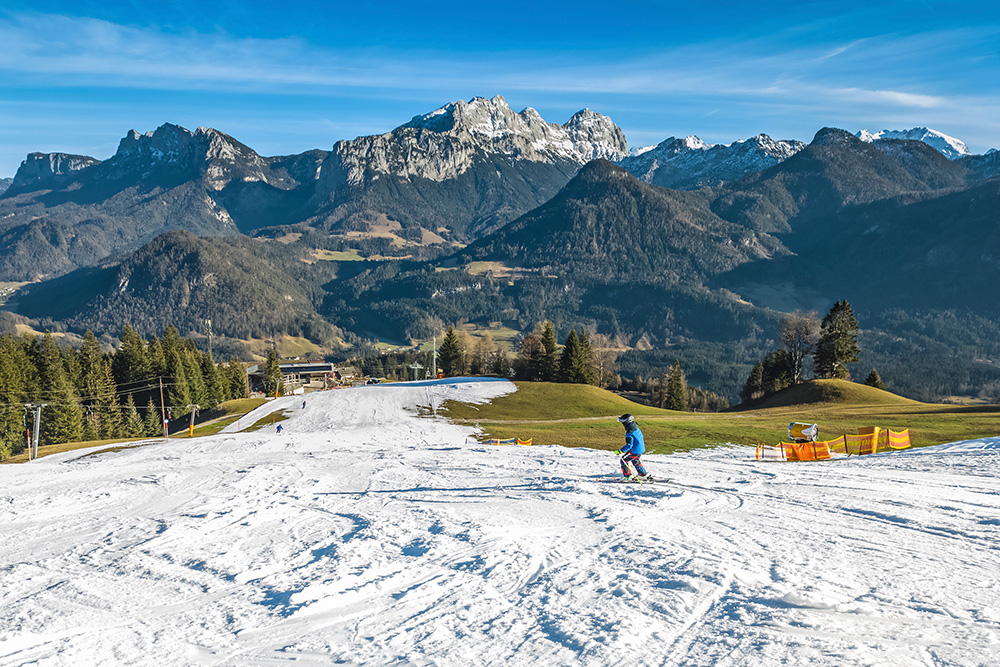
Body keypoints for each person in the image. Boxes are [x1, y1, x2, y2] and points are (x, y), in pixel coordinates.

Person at [615, 413, 650, 480]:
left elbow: (629, 445)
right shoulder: (636, 428)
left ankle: (626, 476)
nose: (622, 424)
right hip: (640, 449)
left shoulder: (629, 432)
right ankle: (642, 475)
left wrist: (620, 451)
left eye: (623, 422)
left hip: (635, 451)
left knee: (623, 460)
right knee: (635, 460)